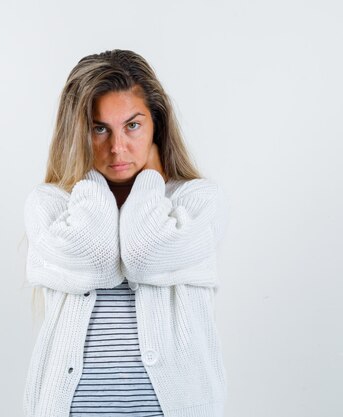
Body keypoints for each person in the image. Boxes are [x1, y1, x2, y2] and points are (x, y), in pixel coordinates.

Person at [22, 49, 230, 417]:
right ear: (77, 133)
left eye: (132, 126)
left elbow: (145, 256)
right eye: (99, 128)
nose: (117, 147)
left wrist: (150, 179)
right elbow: (97, 259)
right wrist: (87, 176)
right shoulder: (50, 205)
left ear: (157, 126)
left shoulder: (197, 201)